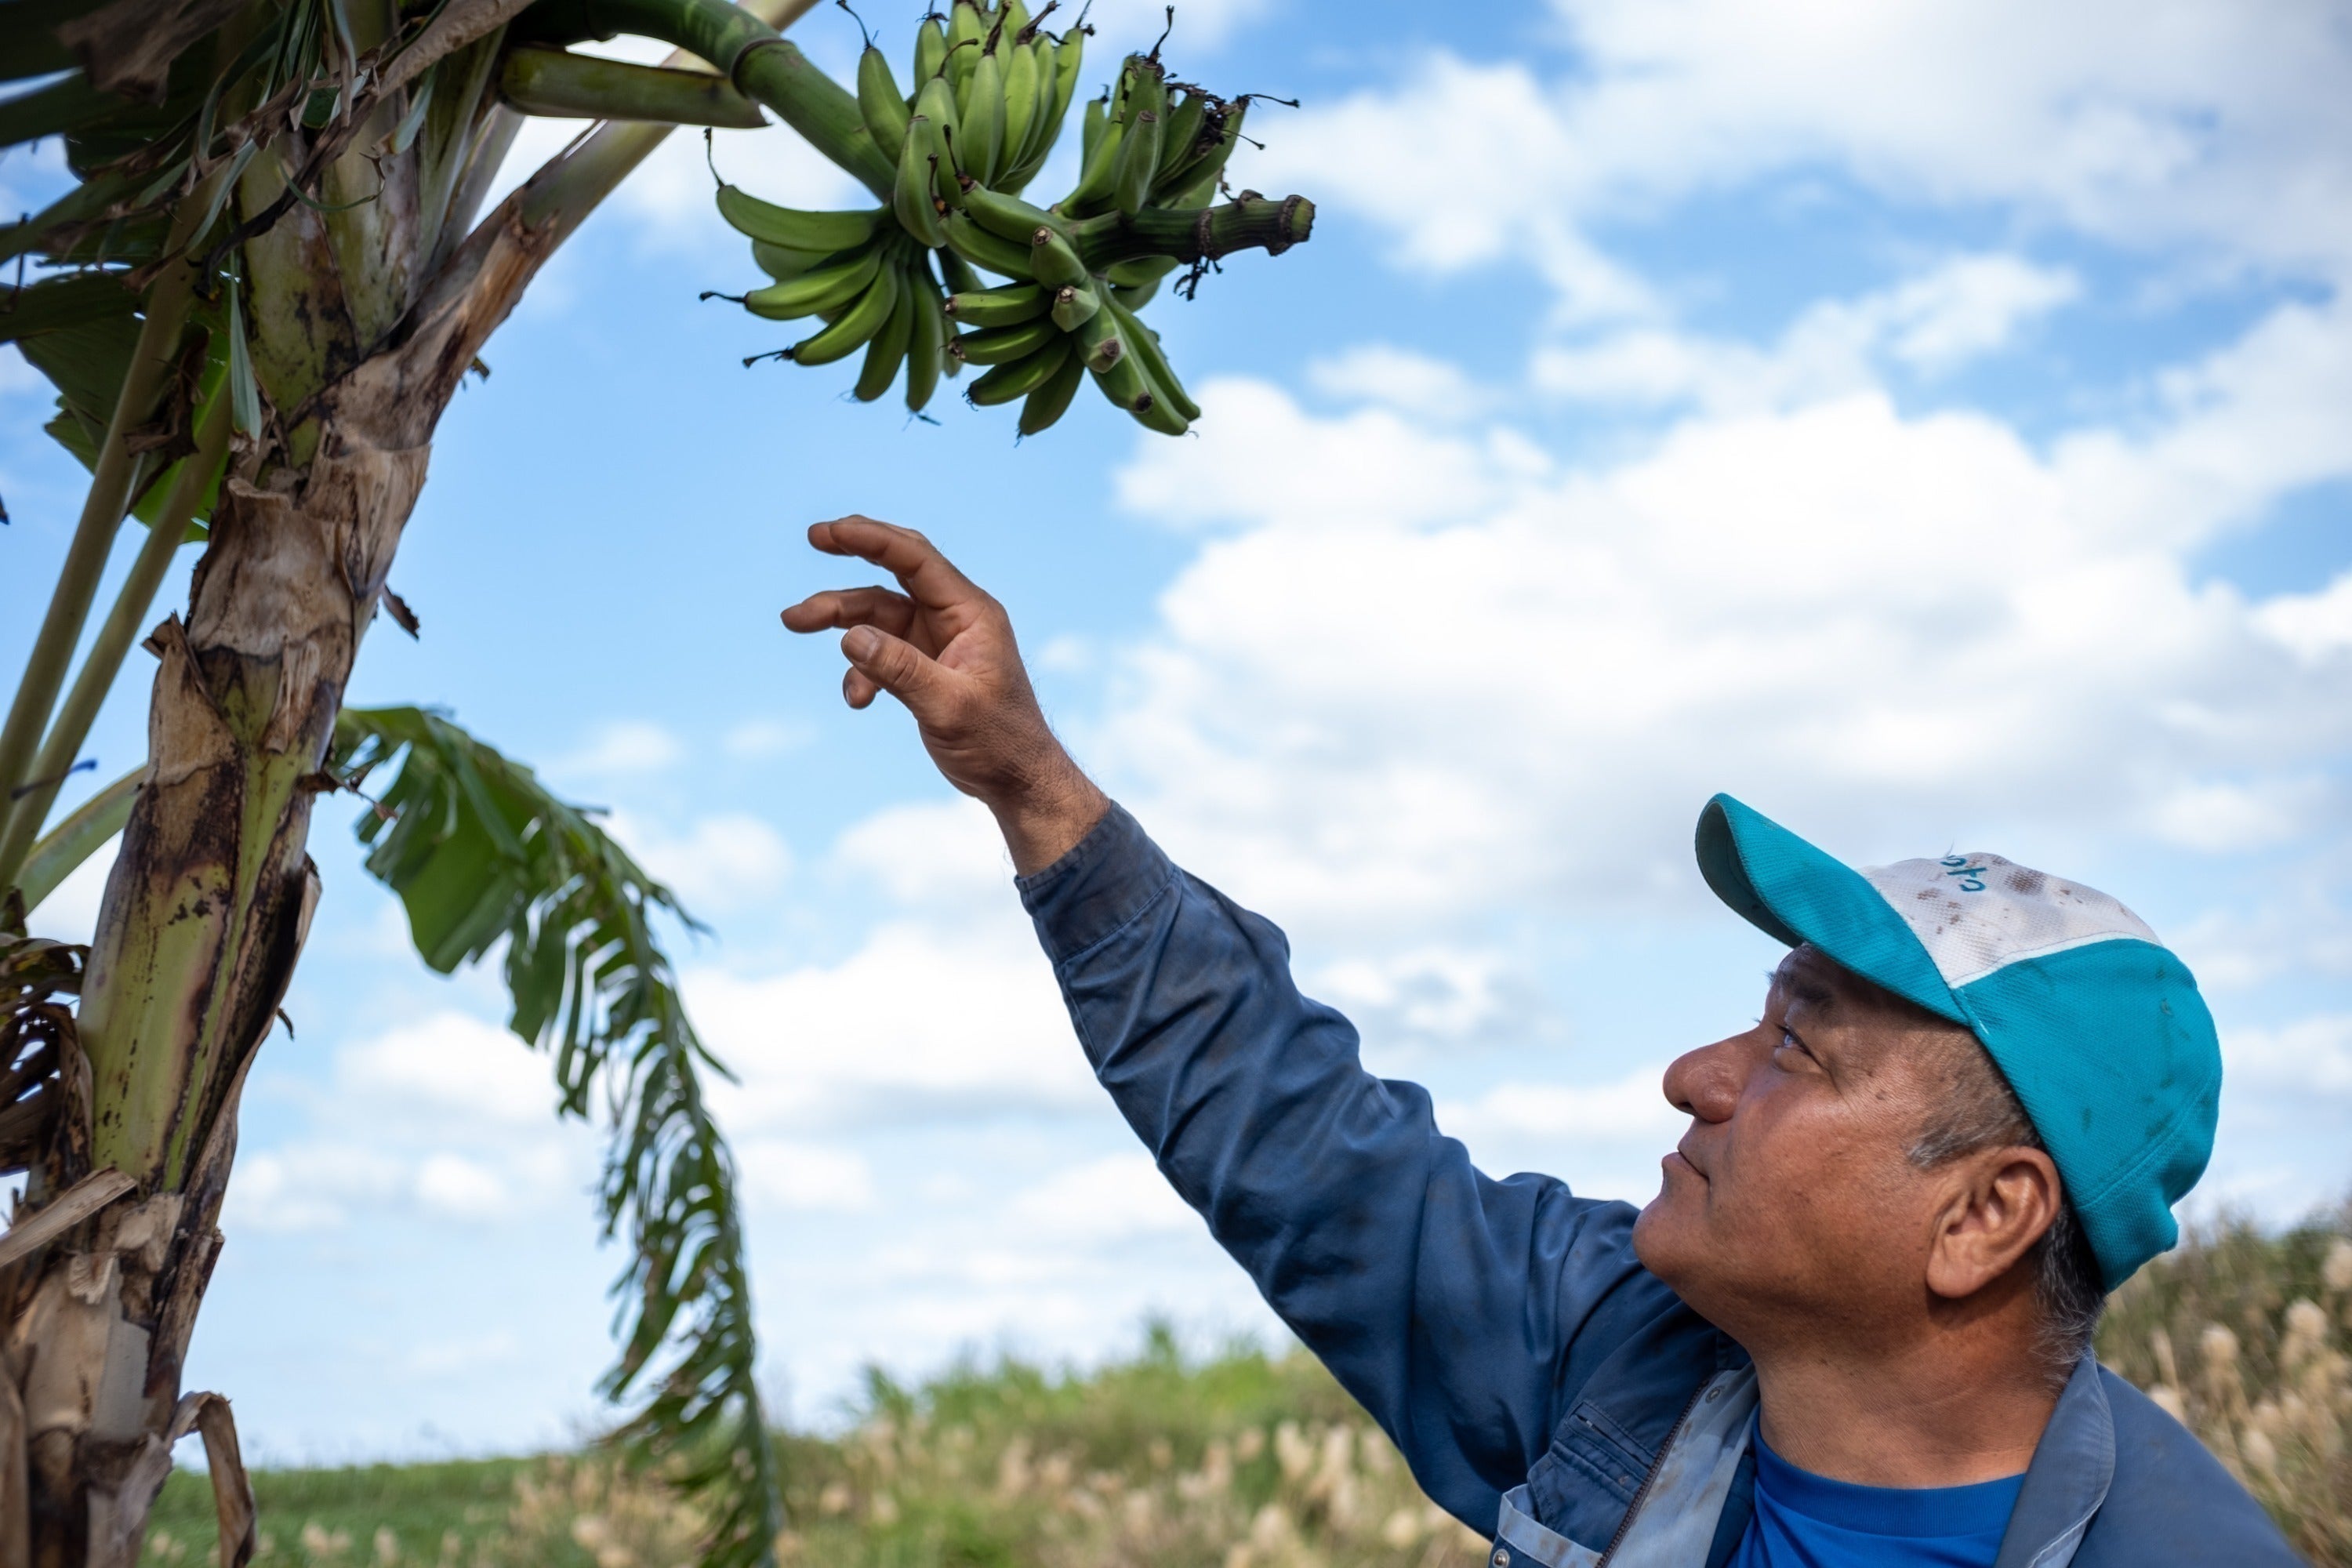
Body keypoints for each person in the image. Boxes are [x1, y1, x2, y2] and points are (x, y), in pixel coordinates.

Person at [782, 516, 2303, 1567]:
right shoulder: (1619, 1352)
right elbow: (1306, 1146)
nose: (1696, 1076)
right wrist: (1032, 783)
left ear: (1981, 1216)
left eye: (1798, 1049)